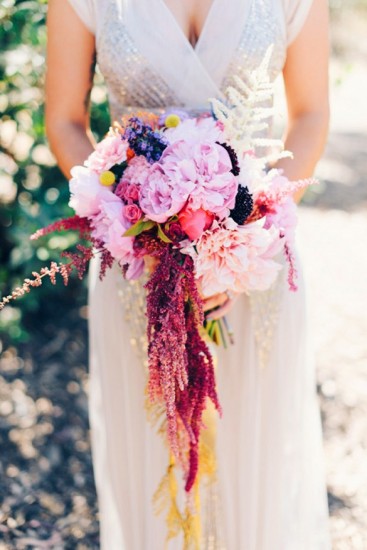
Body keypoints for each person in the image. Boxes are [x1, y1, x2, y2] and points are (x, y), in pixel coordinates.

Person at [45, 0, 331, 548]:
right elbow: (63, 120)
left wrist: (244, 228)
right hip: (136, 264)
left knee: (255, 457)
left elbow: (312, 114)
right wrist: (132, 223)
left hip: (253, 261)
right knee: (156, 461)